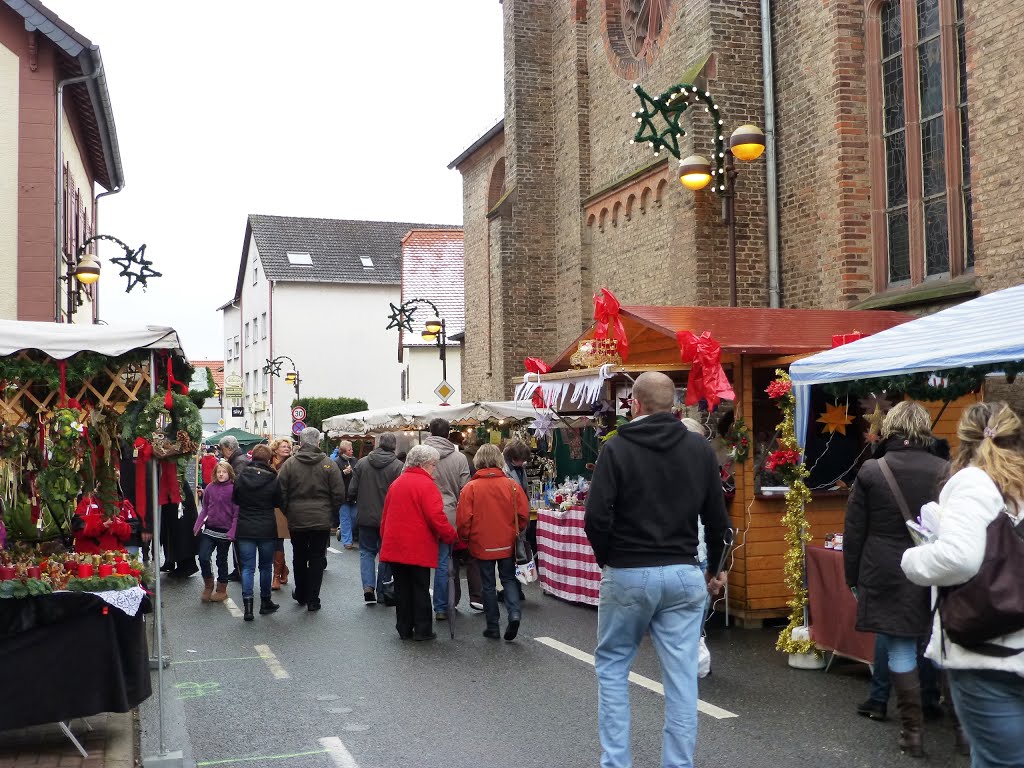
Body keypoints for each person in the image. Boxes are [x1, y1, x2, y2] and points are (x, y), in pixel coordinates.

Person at [584, 371, 729, 768]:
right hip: (684, 572)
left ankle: (616, 762)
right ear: (674, 406)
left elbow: (595, 517)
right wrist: (716, 568)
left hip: (629, 569)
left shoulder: (616, 449)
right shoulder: (699, 450)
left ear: (636, 403)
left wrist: (609, 560)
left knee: (613, 667)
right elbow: (719, 520)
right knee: (682, 678)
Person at [902, 402, 1024, 768]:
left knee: (996, 761)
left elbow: (959, 557)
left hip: (987, 650)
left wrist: (913, 559)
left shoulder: (972, 482)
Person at [843, 400, 948, 757]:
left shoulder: (872, 470)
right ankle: (956, 729)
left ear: (891, 427)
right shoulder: (946, 470)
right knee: (935, 640)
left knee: (900, 645)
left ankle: (912, 732)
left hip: (885, 568)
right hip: (934, 566)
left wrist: (852, 577)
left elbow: (854, 531)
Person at [379, 445, 459, 641]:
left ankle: (404, 628)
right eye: (433, 465)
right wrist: (451, 535)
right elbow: (436, 517)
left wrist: (385, 538)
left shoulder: (397, 483)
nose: (435, 469)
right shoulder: (426, 485)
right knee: (420, 588)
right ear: (424, 464)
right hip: (417, 545)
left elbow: (385, 516)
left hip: (396, 544)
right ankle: (422, 629)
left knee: (402, 588)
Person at [458, 444, 530, 641]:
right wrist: (516, 531)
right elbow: (523, 514)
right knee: (508, 579)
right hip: (507, 541)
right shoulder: (512, 485)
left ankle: (493, 626)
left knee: (488, 584)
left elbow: (464, 520)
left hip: (481, 543)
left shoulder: (470, 488)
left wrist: (465, 538)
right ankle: (514, 613)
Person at [277, 427, 345, 612]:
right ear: (318, 442)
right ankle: (314, 598)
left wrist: (288, 511)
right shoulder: (329, 465)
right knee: (316, 558)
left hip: (297, 518)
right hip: (321, 519)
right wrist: (330, 513)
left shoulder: (290, 464)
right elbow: (339, 493)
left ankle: (301, 593)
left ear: (301, 441)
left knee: (299, 556)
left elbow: (280, 492)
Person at [423, 418, 472, 621]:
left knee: (421, 562)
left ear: (430, 432)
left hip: (424, 513)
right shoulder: (459, 458)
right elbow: (465, 489)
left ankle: (421, 604)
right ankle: (442, 607)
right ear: (448, 433)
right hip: (449, 513)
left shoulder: (420, 454)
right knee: (444, 562)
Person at [349, 432, 404, 605]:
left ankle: (368, 587)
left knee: (366, 552)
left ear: (378, 444)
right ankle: (382, 591)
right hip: (389, 519)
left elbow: (351, 491)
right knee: (386, 555)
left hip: (366, 516)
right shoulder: (398, 466)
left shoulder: (362, 463)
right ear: (394, 446)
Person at [232, 444, 282, 621]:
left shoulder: (241, 476)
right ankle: (265, 602)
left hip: (245, 526)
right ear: (268, 459)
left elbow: (235, 499)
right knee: (265, 566)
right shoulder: (273, 478)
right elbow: (278, 501)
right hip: (266, 527)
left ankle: (248, 607)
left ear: (252, 458)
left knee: (247, 567)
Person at [193, 460, 238, 603]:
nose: (221, 474)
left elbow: (237, 513)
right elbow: (205, 508)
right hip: (210, 529)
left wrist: (233, 531)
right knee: (203, 557)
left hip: (225, 532)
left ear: (229, 473)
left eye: (224, 472)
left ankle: (221, 589)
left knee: (221, 560)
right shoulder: (210, 488)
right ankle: (208, 585)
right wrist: (198, 525)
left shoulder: (234, 489)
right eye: (219, 472)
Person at [219, 435, 250, 582]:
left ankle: (241, 570)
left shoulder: (239, 462)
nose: (221, 452)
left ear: (229, 448)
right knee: (236, 540)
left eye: (222, 449)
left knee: (238, 540)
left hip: (240, 508)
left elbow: (237, 486)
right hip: (240, 507)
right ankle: (238, 569)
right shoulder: (238, 460)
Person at [269, 438, 293, 590]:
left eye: (288, 446)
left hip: (283, 507)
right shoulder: (268, 463)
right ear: (275, 449)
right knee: (271, 541)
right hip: (268, 505)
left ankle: (276, 576)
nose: (286, 448)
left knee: (278, 540)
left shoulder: (292, 464)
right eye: (283, 446)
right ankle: (283, 569)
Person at [335, 440, 359, 549]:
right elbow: (334, 478)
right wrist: (343, 473)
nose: (352, 451)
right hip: (343, 494)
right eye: (350, 449)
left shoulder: (355, 461)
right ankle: (347, 541)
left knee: (355, 518)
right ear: (344, 451)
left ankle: (346, 533)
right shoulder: (337, 462)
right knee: (345, 519)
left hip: (354, 494)